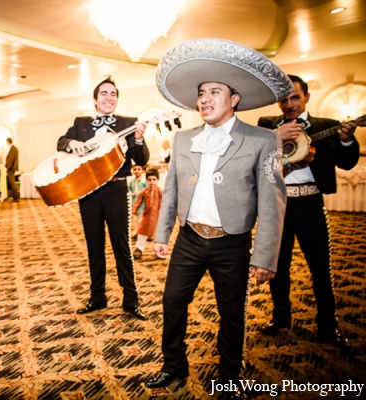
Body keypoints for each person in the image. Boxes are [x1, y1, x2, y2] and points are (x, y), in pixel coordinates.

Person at [145, 38, 290, 399]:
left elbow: (273, 203)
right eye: (201, 93)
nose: (205, 99)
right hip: (189, 240)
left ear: (234, 99)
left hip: (233, 244)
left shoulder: (262, 140)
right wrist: (162, 235)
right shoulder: (183, 139)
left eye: (215, 91)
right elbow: (172, 191)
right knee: (173, 304)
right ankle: (173, 365)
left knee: (231, 315)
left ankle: (230, 376)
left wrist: (265, 256)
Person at [257, 75, 359, 350]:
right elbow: (254, 158)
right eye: (283, 98)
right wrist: (275, 138)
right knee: (278, 267)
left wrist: (348, 140)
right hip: (277, 206)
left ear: (306, 98)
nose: (288, 104)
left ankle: (328, 325)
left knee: (320, 268)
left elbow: (348, 163)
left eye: (294, 97)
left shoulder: (327, 127)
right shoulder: (266, 127)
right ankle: (280, 318)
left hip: (310, 204)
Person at [57, 77, 149, 320]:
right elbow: (61, 142)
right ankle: (97, 297)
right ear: (95, 100)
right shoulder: (81, 123)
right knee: (94, 247)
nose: (109, 98)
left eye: (113, 94)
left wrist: (138, 138)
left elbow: (141, 160)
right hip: (88, 193)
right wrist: (72, 143)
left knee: (122, 247)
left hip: (117, 191)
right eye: (104, 94)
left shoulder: (129, 123)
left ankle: (131, 300)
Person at [131, 168, 162, 260]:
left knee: (159, 234)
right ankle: (139, 249)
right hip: (146, 216)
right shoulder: (144, 191)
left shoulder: (160, 191)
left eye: (154, 180)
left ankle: (160, 250)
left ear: (158, 180)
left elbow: (166, 203)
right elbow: (138, 202)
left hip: (158, 216)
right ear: (146, 180)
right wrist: (133, 212)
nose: (152, 182)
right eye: (149, 180)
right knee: (141, 232)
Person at [128, 164, 147, 238]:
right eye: (135, 169)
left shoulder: (144, 181)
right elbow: (130, 190)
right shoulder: (132, 182)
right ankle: (138, 232)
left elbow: (148, 190)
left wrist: (141, 192)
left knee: (142, 219)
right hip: (135, 203)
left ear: (143, 171)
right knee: (137, 220)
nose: (136, 171)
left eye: (139, 169)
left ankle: (145, 233)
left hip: (143, 204)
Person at [5, 137, 19, 202]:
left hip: (11, 169)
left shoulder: (12, 149)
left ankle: (15, 197)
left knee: (12, 183)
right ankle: (15, 197)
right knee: (12, 183)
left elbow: (11, 160)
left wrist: (7, 167)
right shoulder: (14, 148)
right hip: (12, 168)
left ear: (8, 142)